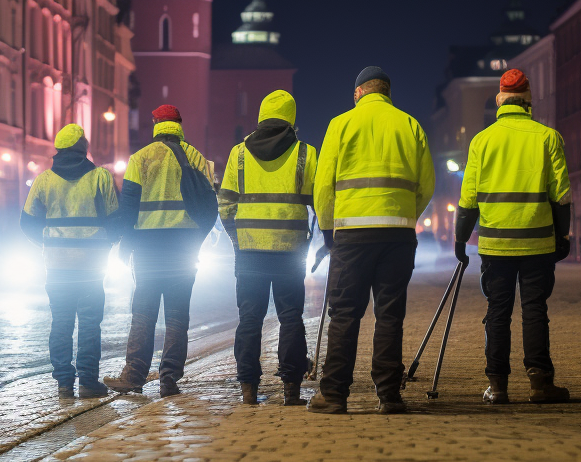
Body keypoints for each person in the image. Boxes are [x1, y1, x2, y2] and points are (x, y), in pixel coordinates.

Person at [310, 67, 434, 415]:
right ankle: (389, 395)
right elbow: (426, 183)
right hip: (398, 233)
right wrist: (407, 214)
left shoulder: (341, 124)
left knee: (345, 313)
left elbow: (323, 186)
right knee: (390, 315)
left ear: (357, 93)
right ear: (387, 93)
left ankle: (334, 394)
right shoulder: (409, 125)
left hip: (352, 234)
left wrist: (327, 229)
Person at [454, 69, 572, 405]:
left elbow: (468, 199)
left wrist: (461, 240)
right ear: (529, 99)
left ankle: (498, 385)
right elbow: (561, 193)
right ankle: (539, 382)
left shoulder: (482, 140)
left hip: (495, 244)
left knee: (497, 311)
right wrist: (562, 235)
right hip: (538, 243)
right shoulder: (548, 137)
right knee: (535, 309)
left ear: (500, 100)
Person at [105, 104, 216, 396]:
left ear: (155, 124)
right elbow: (209, 208)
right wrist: (197, 240)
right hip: (183, 248)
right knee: (177, 315)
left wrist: (123, 247)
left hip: (148, 249)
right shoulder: (196, 158)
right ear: (179, 124)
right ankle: (169, 378)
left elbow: (128, 209)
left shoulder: (140, 158)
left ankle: (134, 375)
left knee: (143, 313)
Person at [219, 90, 318, 407]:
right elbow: (319, 201)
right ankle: (291, 389)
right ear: (292, 118)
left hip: (249, 252)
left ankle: (248, 389)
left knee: (249, 320)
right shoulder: (305, 153)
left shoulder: (239, 154)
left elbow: (225, 206)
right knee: (291, 318)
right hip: (290, 251)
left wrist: (237, 239)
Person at [22, 124, 119, 400]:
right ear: (83, 149)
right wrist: (106, 243)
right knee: (89, 323)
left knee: (61, 323)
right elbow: (114, 219)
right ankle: (88, 382)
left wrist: (47, 243)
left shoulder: (44, 180)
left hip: (56, 266)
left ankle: (64, 384)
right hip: (91, 265)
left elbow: (26, 223)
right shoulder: (101, 177)